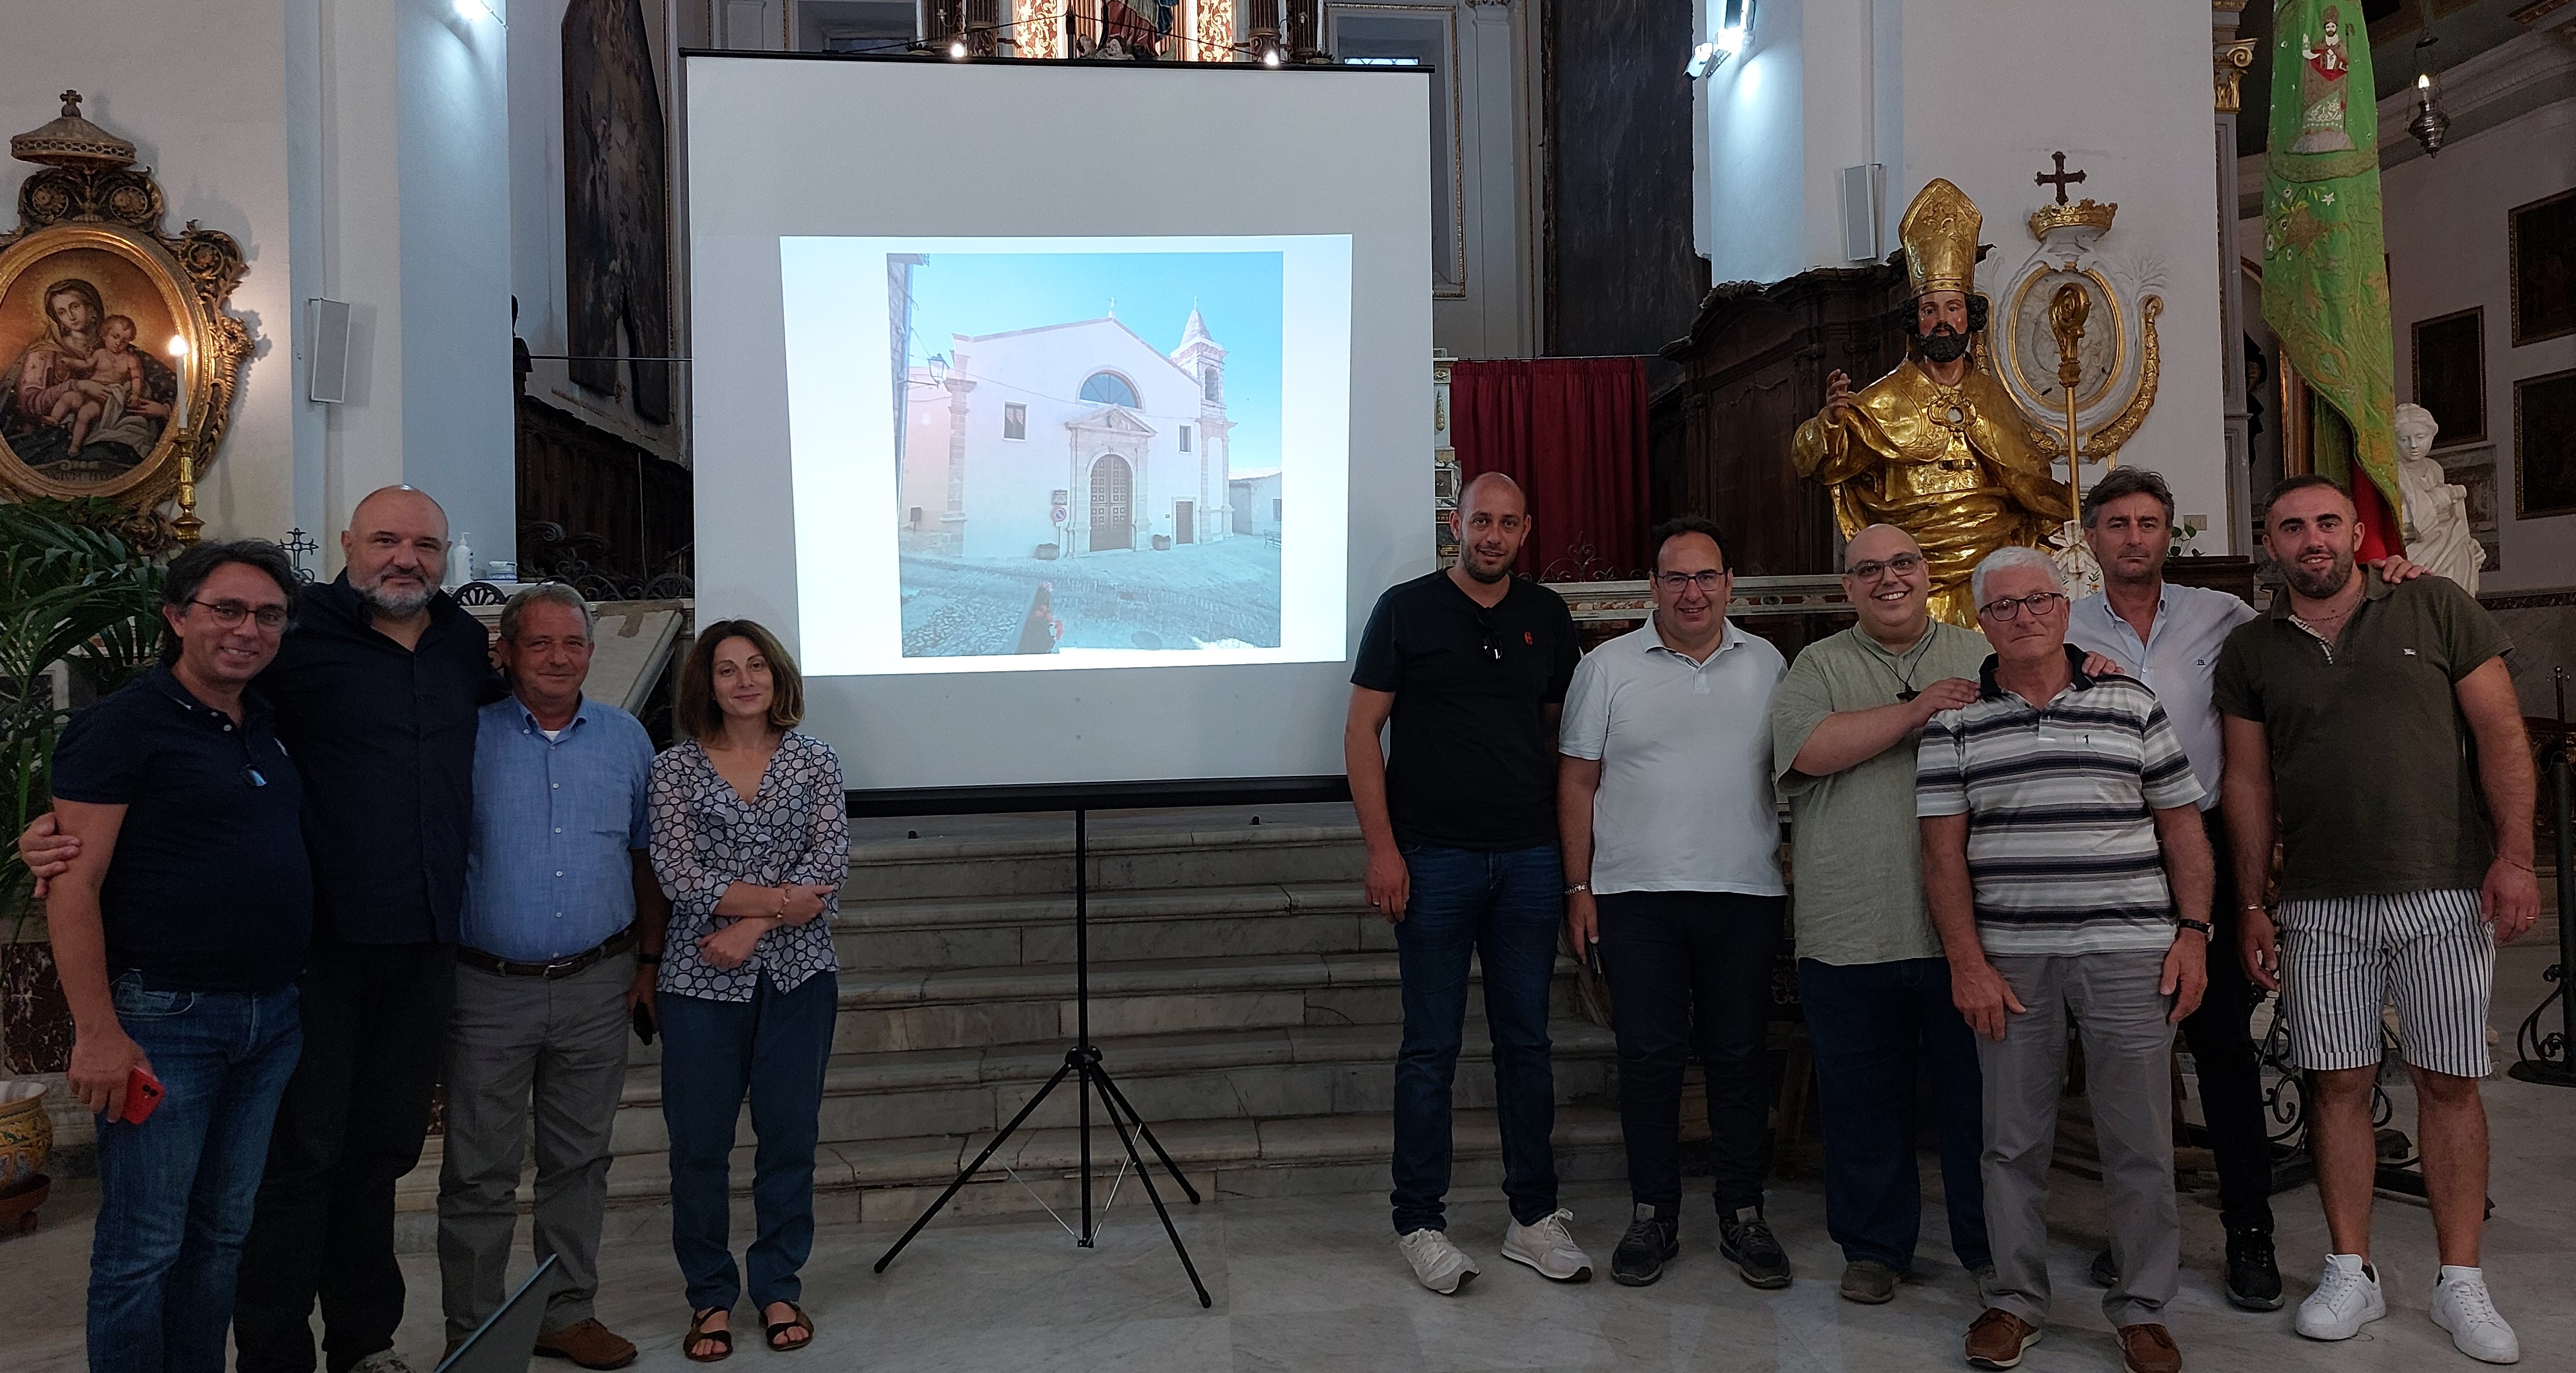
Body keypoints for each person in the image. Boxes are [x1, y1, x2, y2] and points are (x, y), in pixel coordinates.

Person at [21, 486, 498, 1373]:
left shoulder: (464, 645)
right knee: (293, 1165)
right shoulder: (294, 635)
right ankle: (277, 1354)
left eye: (426, 544)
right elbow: (163, 723)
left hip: (423, 939)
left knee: (378, 1154)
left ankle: (366, 1342)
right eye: (386, 538)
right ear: (347, 543)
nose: (407, 557)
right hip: (313, 952)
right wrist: (55, 835)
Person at [2219, 474, 2537, 1365]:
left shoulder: (2431, 604)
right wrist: (2251, 900)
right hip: (2318, 900)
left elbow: (2502, 733)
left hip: (2439, 886)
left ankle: (2459, 1279)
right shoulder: (2252, 650)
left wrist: (2513, 857)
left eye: (2326, 521)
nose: (2310, 538)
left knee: (2447, 1080)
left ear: (2356, 530)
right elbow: (2245, 782)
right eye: (2291, 526)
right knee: (2337, 1083)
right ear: (2269, 544)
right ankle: (2349, 1267)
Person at [1920, 546, 2212, 1373]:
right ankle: (2012, 1299)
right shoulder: (1955, 722)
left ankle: (2142, 1306)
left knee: (2140, 1140)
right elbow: (1941, 856)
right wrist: (1965, 960)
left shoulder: (2129, 700)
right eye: (2003, 606)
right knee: (2009, 1140)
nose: (2022, 616)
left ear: (2063, 607)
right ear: (1980, 621)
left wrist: (2193, 930)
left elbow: (2181, 826)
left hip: (2129, 950)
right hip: (2012, 958)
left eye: (2037, 600)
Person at [48, 542, 309, 1373]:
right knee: (143, 1247)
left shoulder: (264, 720)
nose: (247, 629)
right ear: (176, 616)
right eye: (225, 609)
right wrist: (97, 1031)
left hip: (270, 1016)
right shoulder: (120, 725)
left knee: (221, 1235)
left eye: (267, 614)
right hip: (166, 1020)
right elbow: (71, 883)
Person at [1345, 471, 1592, 1295]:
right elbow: (1361, 730)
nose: (1492, 534)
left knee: (1527, 1042)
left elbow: (1566, 744)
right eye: (1480, 519)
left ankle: (1532, 1217)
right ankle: (1420, 1220)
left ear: (1526, 530)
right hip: (1432, 859)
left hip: (1526, 858)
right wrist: (1382, 849)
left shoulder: (1546, 616)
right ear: (1457, 522)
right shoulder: (1405, 608)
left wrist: (1571, 866)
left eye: (1508, 523)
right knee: (1430, 1048)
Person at [2064, 466, 2283, 1312]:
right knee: (2125, 1058)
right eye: (2115, 523)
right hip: (2110, 854)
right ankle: (2134, 1239)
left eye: (2147, 522)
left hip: (2208, 850)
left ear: (2167, 534)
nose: (2132, 537)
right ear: (2091, 538)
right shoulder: (2063, 622)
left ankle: (2248, 1232)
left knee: (2224, 1047)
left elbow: (2305, 631)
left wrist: (2388, 575)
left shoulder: (2221, 616)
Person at [1558, 516, 1792, 1290]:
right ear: (1651, 587)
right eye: (1675, 578)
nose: (1692, 591)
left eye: (1706, 576)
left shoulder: (1768, 663)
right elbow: (1577, 782)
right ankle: (1651, 1211)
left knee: (1735, 1059)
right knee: (1649, 1061)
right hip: (1636, 896)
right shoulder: (1605, 666)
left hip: (1743, 891)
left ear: (1729, 583)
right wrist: (1579, 885)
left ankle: (1742, 1212)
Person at [437, 584, 663, 1369]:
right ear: (505, 652)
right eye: (540, 643)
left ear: (592, 654)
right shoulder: (463, 736)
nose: (559, 657)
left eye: (573, 643)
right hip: (486, 988)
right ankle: (473, 1327)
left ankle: (565, 1310)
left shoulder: (628, 739)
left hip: (597, 984)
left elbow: (643, 857)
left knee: (579, 1160)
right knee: (478, 1169)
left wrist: (647, 961)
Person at [1768, 523, 1994, 1306]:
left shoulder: (1978, 652)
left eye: (1902, 563)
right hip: (1850, 925)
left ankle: (1988, 1247)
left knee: (1980, 1105)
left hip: (1967, 932)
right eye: (1868, 570)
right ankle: (1872, 1246)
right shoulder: (1817, 664)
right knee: (1862, 1106)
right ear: (1847, 587)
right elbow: (1804, 749)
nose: (1888, 578)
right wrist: (1915, 713)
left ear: (1927, 571)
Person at [648, 620, 846, 1361]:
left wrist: (750, 927)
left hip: (800, 979)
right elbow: (679, 876)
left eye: (756, 665)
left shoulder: (815, 762)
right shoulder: (674, 771)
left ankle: (778, 1285)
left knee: (789, 1139)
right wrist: (774, 907)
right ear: (707, 684)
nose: (743, 680)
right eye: (727, 669)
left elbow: (828, 868)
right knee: (699, 1147)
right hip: (700, 982)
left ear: (777, 676)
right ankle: (709, 1297)